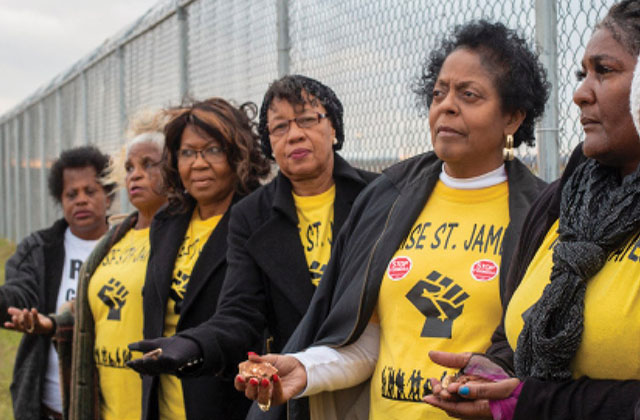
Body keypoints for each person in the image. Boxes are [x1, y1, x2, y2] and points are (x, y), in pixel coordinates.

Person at [235, 21, 550, 420]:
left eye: (469, 95)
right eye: (439, 93)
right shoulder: (389, 199)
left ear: (512, 117)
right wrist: (306, 369)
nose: (446, 105)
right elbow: (368, 342)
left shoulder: (540, 214)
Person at [421, 1, 640, 419]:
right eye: (582, 74)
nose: (579, 92)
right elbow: (518, 331)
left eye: (605, 71)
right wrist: (502, 374)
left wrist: (532, 403)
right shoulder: (566, 200)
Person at [126, 75, 377, 420]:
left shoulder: (379, 197)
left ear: (334, 128)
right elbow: (241, 312)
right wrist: (195, 344)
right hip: (294, 391)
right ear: (270, 143)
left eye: (307, 120)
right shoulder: (251, 217)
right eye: (279, 127)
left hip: (373, 384)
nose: (295, 134)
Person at [128, 98, 271, 420]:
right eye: (188, 153)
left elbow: (251, 321)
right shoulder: (166, 222)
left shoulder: (259, 220)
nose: (199, 163)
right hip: (163, 401)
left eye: (213, 150)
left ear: (239, 154)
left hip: (227, 402)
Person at [1, 146, 113, 420]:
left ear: (108, 196)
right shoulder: (39, 249)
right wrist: (16, 310)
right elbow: (20, 293)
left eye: (90, 191)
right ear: (60, 200)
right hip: (49, 408)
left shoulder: (130, 245)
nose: (81, 200)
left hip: (113, 407)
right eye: (71, 194)